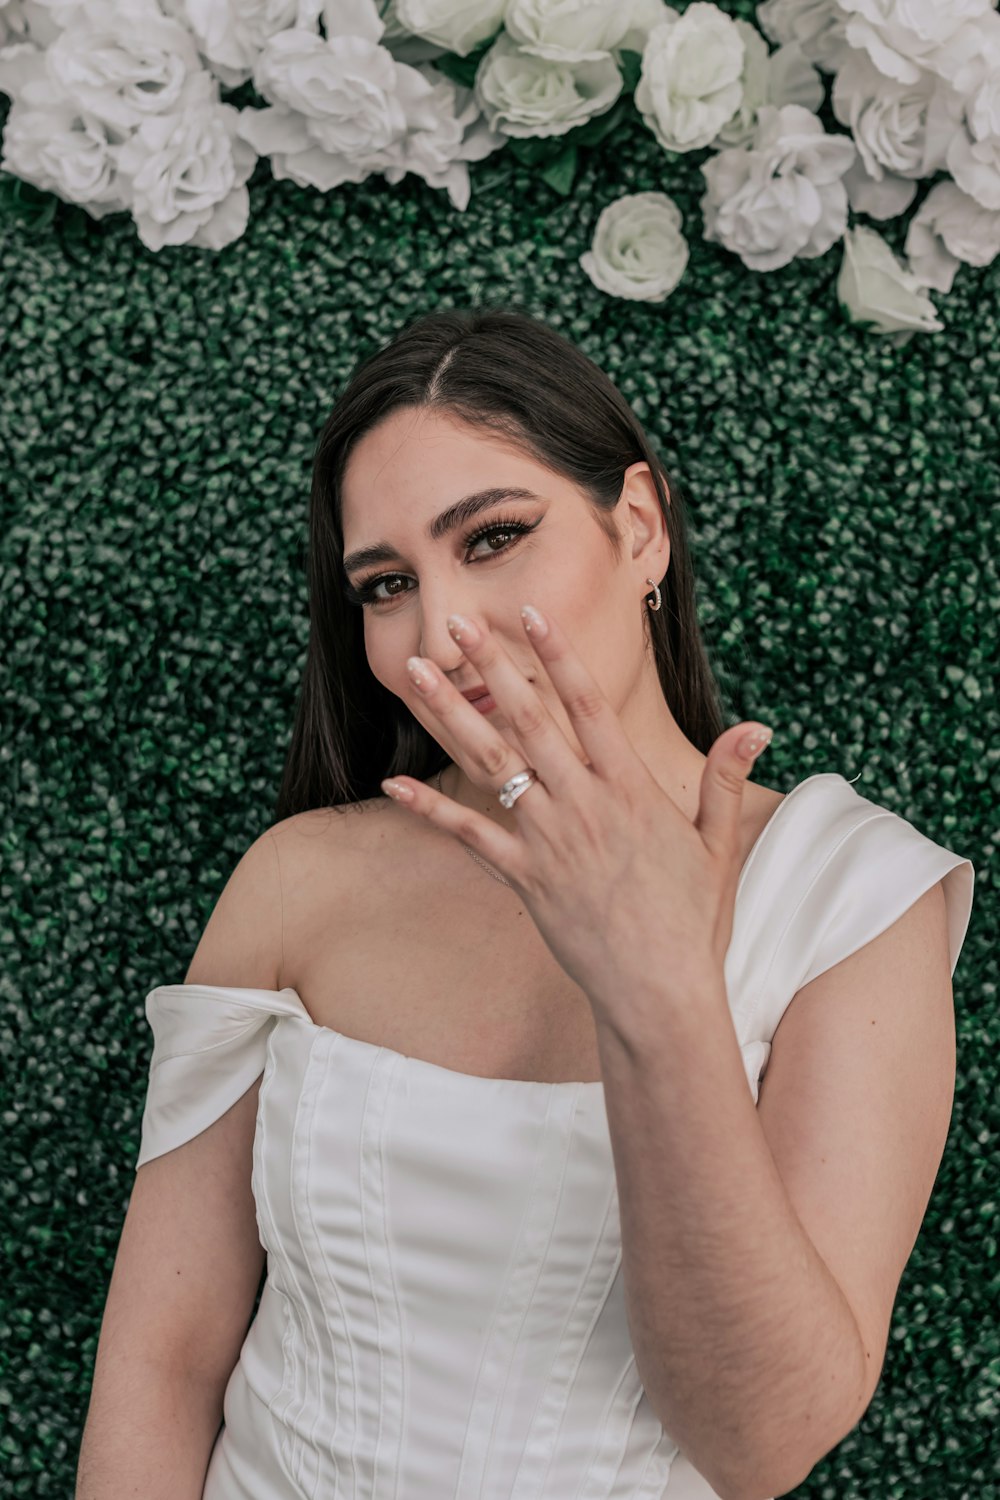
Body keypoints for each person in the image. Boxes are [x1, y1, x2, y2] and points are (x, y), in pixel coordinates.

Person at [77, 307, 975, 1500]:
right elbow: (161, 1363)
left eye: (493, 537)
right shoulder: (300, 878)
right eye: (387, 583)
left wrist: (655, 989)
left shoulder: (851, 898)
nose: (440, 634)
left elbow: (760, 1443)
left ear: (640, 528)